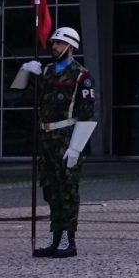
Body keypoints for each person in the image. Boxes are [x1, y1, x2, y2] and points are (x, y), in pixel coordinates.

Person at [18, 26, 97, 258]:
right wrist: (24, 72)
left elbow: (87, 115)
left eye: (59, 43)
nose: (54, 46)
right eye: (53, 43)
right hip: (46, 139)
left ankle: (67, 240)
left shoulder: (81, 76)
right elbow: (21, 91)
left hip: (66, 137)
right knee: (51, 190)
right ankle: (55, 237)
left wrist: (75, 148)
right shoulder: (46, 72)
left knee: (67, 191)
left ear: (71, 46)